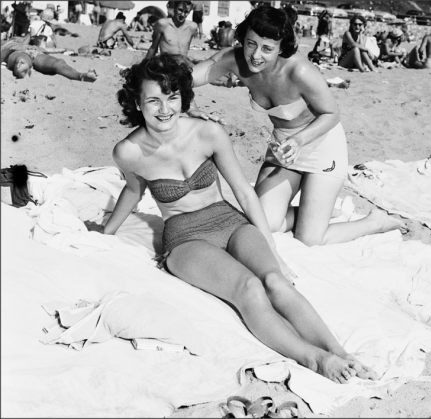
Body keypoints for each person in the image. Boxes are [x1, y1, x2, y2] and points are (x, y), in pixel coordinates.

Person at [85, 53, 378, 384]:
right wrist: (106, 230)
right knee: (249, 288)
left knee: (276, 281)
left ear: (182, 96)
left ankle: (339, 351)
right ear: (137, 104)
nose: (164, 108)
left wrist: (273, 250)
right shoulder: (129, 152)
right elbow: (133, 191)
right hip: (185, 239)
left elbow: (244, 192)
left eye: (172, 96)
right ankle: (314, 359)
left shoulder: (208, 133)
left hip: (229, 220)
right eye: (153, 100)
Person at [189, 4, 406, 247]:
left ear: (281, 48)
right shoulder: (235, 60)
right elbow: (186, 78)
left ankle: (375, 222)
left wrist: (299, 140)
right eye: (251, 43)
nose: (256, 55)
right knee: (262, 223)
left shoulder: (299, 70)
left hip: (321, 145)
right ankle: (312, 213)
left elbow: (332, 113)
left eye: (267, 48)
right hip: (283, 148)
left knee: (310, 238)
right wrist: (191, 105)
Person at [1, 39, 97, 82]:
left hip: (35, 51)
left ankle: (81, 76)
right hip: (15, 50)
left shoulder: (17, 39)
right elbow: (3, 53)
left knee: (58, 62)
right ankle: (23, 67)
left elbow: (49, 50)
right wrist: (9, 48)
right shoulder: (6, 44)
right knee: (21, 58)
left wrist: (64, 49)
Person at [145, 1, 197, 67]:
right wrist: (144, 66)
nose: (183, 14)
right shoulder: (162, 24)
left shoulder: (192, 27)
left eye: (186, 12)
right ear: (174, 8)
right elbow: (153, 48)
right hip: (168, 65)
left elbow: (185, 49)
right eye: (180, 10)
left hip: (184, 65)